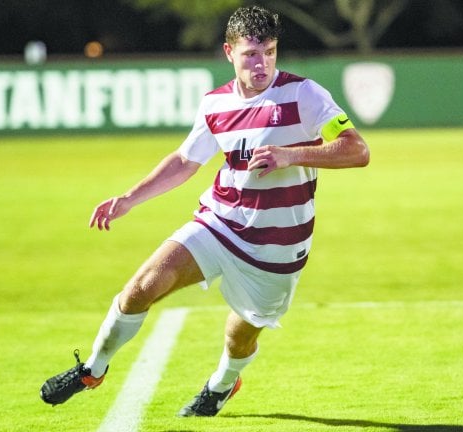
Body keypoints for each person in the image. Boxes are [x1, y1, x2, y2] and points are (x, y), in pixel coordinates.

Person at [39, 5, 369, 417]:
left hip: (277, 249)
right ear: (229, 52)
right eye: (251, 54)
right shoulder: (215, 104)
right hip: (220, 224)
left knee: (240, 337)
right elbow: (185, 161)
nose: (262, 62)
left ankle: (222, 384)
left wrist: (289, 154)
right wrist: (128, 199)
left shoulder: (304, 95)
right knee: (140, 288)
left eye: (269, 51)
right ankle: (93, 369)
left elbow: (357, 150)